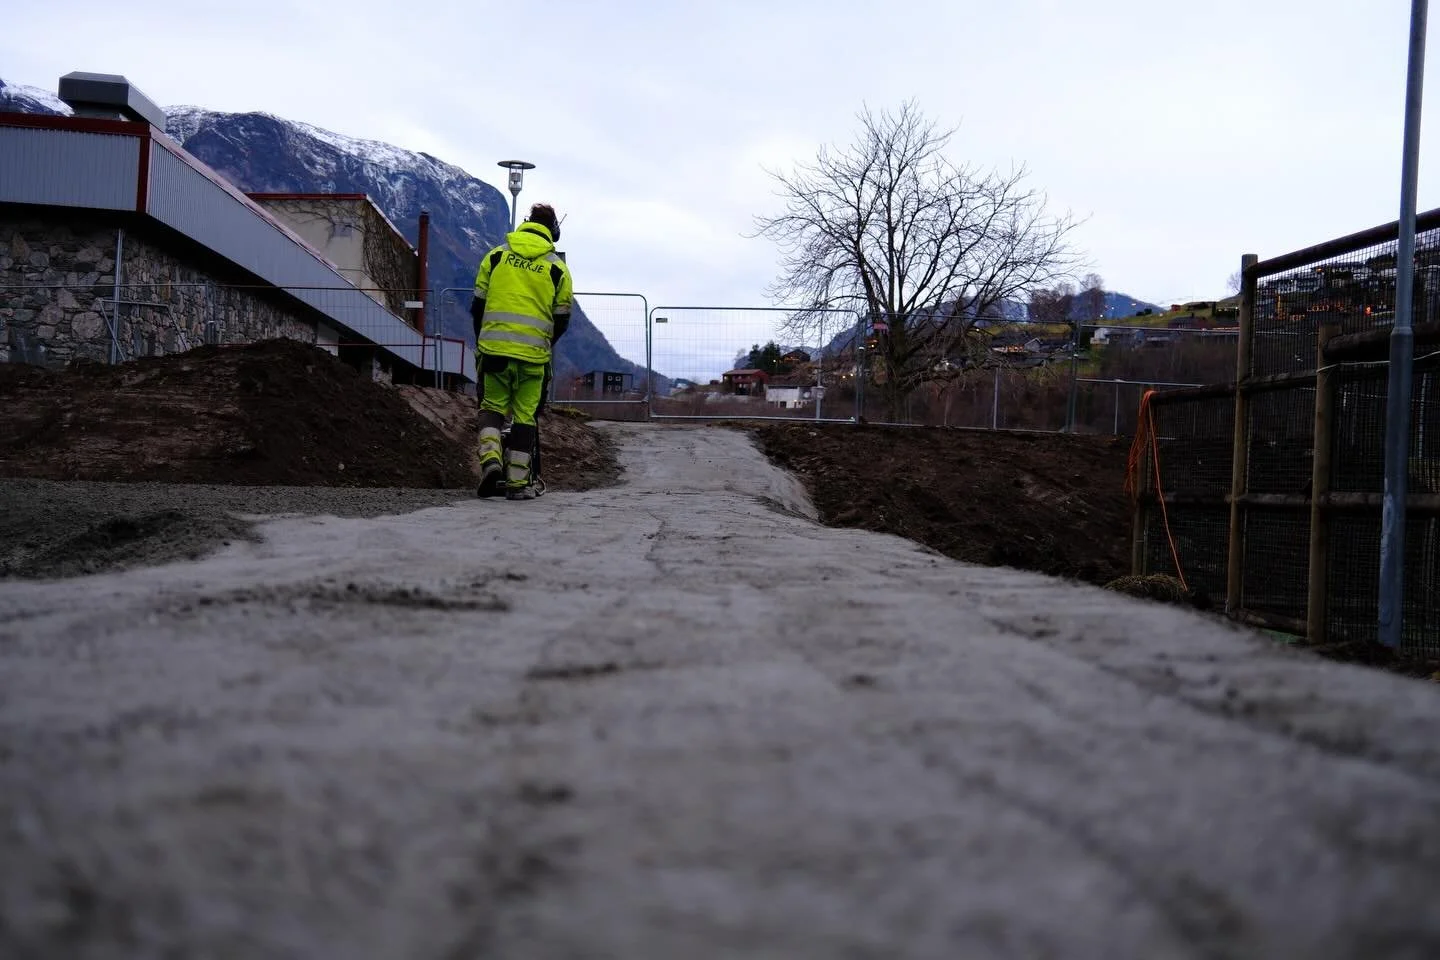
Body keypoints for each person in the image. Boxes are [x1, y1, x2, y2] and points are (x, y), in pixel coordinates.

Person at [470, 203, 573, 500]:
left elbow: (478, 305)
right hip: (533, 357)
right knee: (525, 416)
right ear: (553, 231)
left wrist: (484, 341)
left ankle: (491, 461)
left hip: (494, 351)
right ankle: (517, 484)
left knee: (491, 408)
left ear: (526, 224)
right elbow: (562, 318)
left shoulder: (497, 256)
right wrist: (544, 343)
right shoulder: (557, 268)